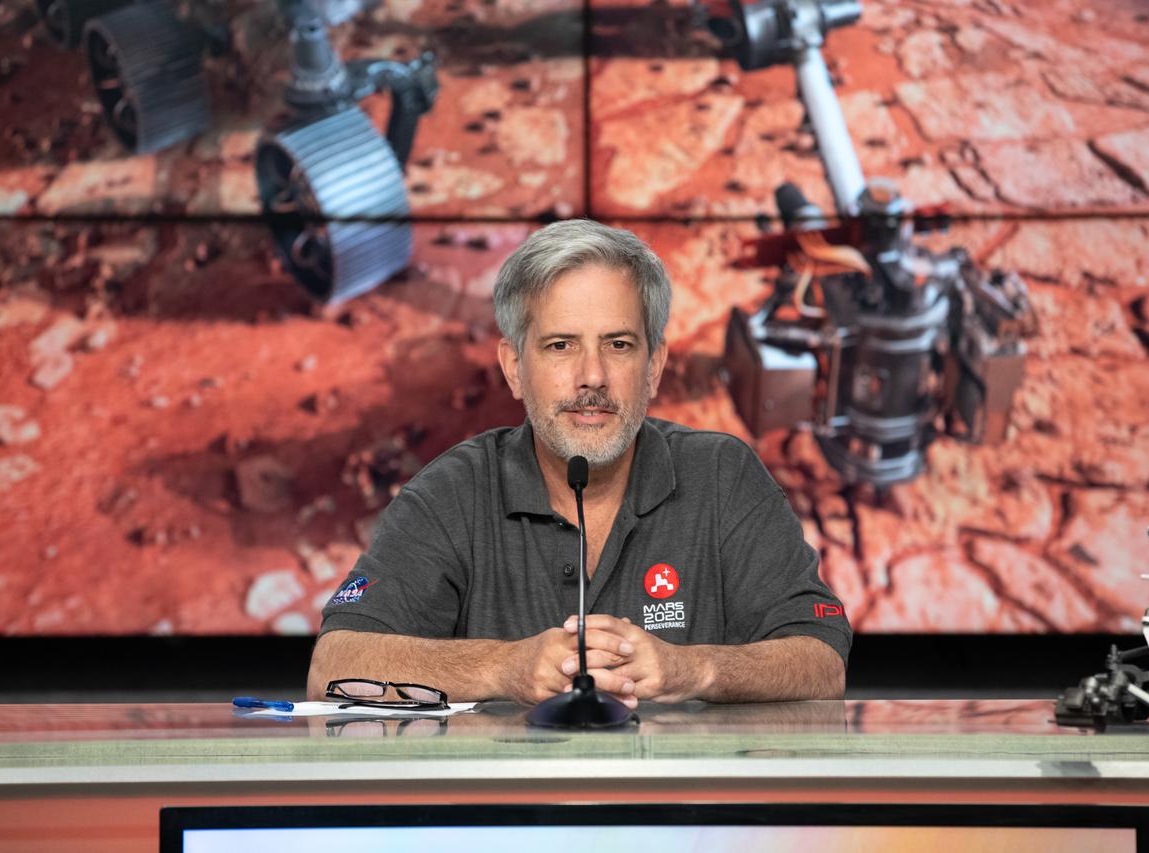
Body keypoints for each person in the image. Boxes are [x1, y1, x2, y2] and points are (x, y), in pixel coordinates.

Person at [307, 220, 851, 707]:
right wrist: (505, 667)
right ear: (514, 368)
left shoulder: (722, 475)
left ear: (654, 366)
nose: (592, 376)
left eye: (618, 345)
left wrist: (693, 670)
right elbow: (333, 665)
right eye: (561, 346)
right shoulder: (453, 490)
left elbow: (820, 660)